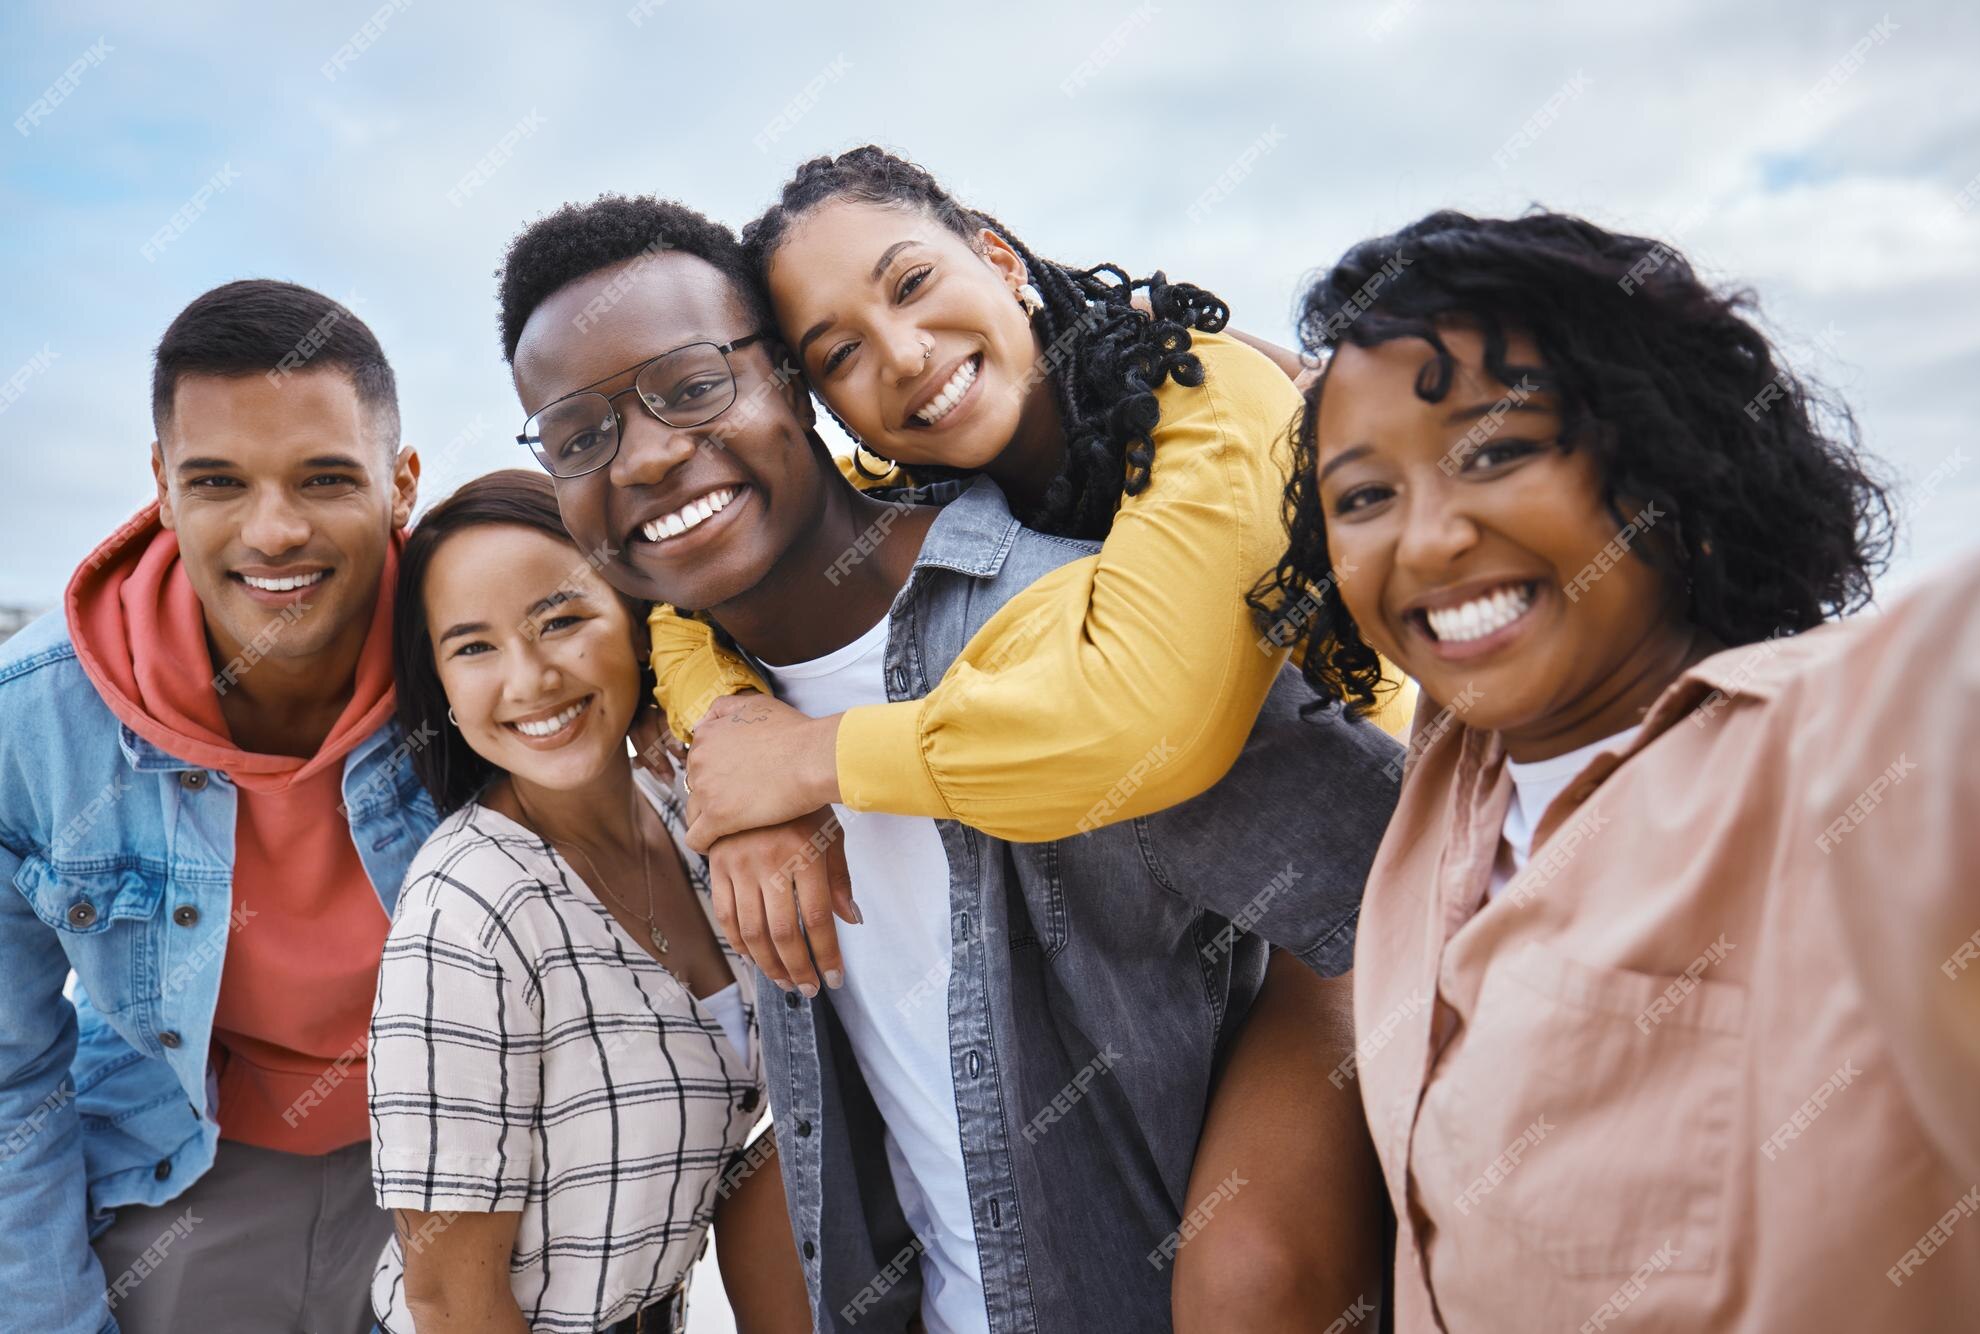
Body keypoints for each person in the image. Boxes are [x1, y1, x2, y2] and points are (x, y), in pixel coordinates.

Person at [498, 194, 1400, 1333]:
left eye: (690, 386)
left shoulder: (1074, 631)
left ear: (790, 386)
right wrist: (734, 761)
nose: (649, 456)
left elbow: (1421, 903)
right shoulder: (692, 712)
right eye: (580, 435)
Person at [1251, 208, 1980, 1331]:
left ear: (1671, 467)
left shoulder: (1842, 743)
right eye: (1363, 495)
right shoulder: (1452, 776)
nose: (1426, 537)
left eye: (1496, 451)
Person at [608, 148, 1412, 995]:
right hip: (1192, 949)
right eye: (840, 354)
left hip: (1372, 898)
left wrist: (808, 760)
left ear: (998, 259)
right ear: (821, 408)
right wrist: (733, 744)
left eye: (911, 283)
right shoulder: (921, 494)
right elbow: (691, 614)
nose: (904, 354)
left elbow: (1140, 716)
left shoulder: (1204, 389)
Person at [0, 279, 431, 1333]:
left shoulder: (489, 664)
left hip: (450, 1157)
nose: (272, 530)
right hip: (176, 1167)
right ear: (161, 487)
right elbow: (9, 1080)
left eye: (325, 477)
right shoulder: (35, 723)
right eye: (218, 481)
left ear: (400, 482)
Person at [366, 469, 807, 1334]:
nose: (529, 680)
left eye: (561, 621)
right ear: (443, 692)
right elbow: (449, 1301)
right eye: (473, 647)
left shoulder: (684, 813)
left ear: (640, 625)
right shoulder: (467, 909)